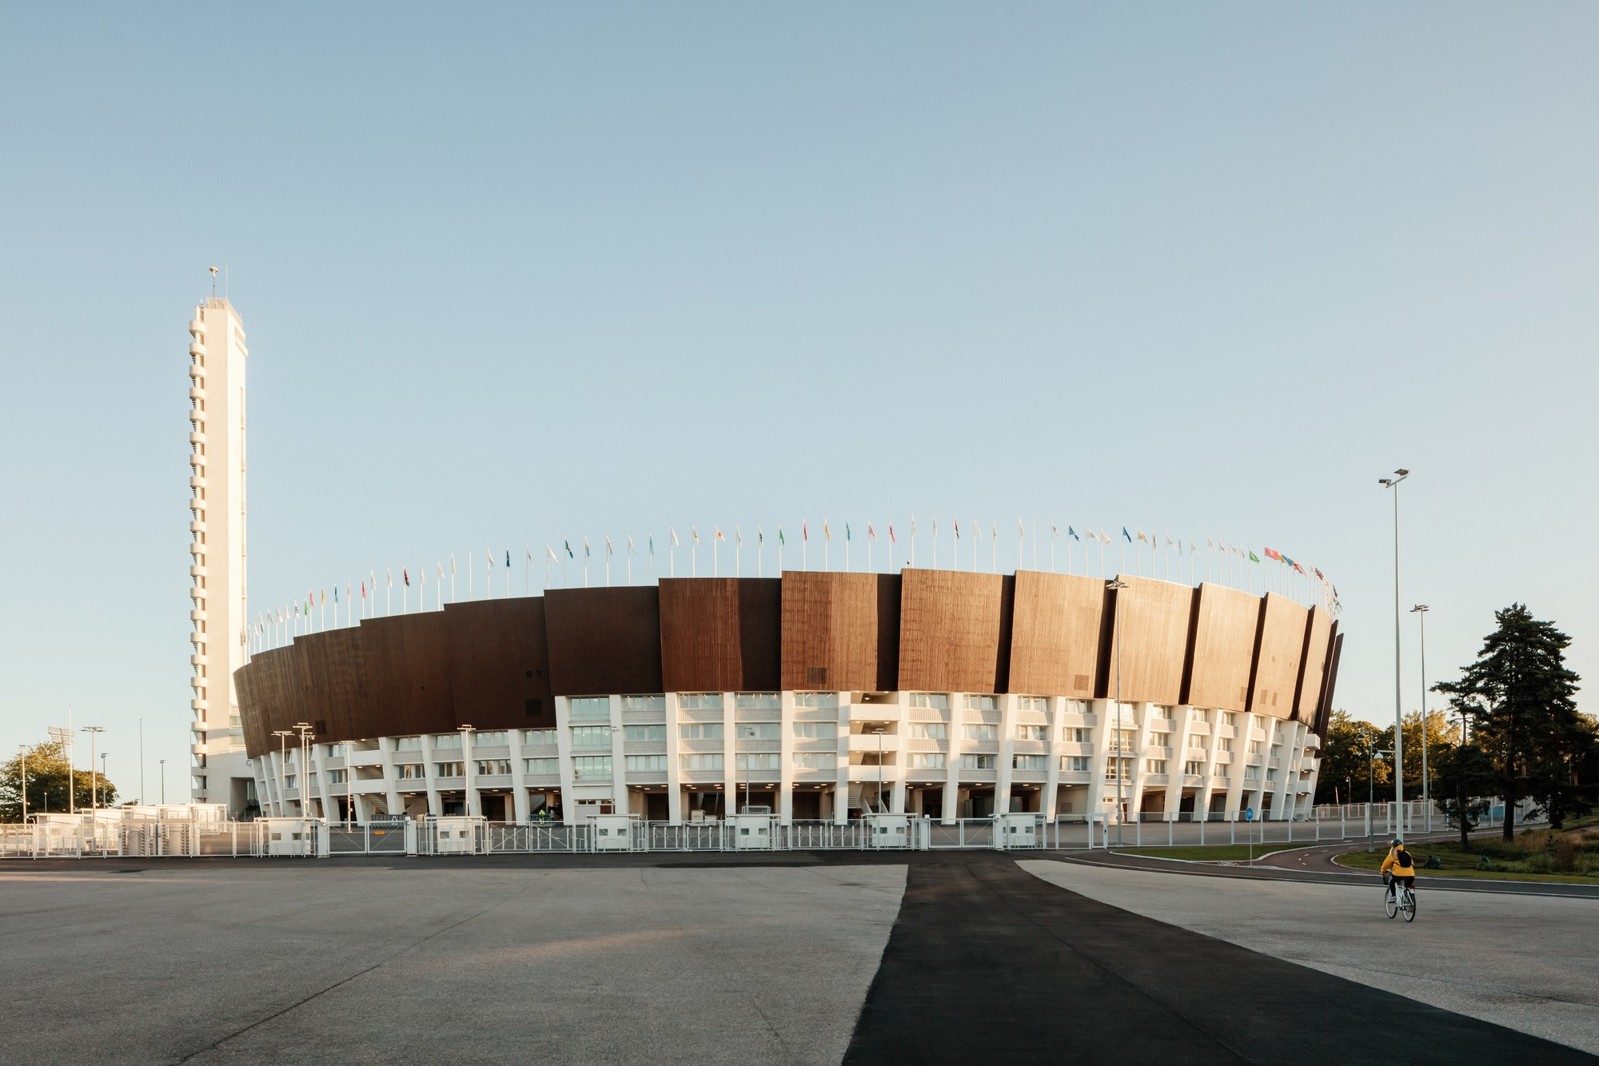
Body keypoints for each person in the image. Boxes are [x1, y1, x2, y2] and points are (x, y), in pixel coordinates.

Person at [1380, 838, 1417, 903]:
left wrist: (1382, 871)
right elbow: (1412, 863)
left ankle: (1393, 896)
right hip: (1411, 874)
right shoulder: (1407, 853)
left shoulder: (1392, 854)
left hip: (1398, 874)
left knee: (1392, 882)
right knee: (1407, 886)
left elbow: (1385, 865)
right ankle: (1409, 900)